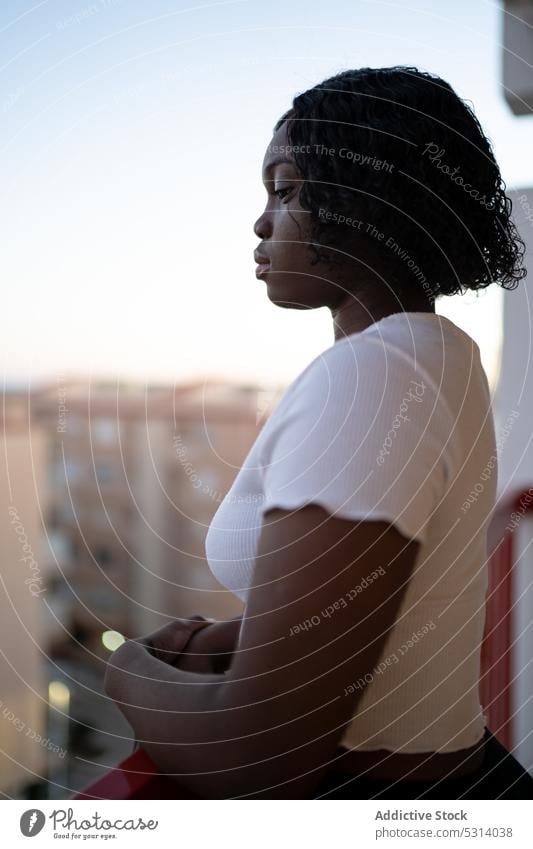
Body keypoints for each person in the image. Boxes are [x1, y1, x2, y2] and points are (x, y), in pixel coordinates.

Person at [105, 66, 533, 799]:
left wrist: (126, 668)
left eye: (287, 188)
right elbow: (394, 593)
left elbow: (261, 759)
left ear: (369, 201)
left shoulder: (368, 380)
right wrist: (231, 640)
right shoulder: (443, 352)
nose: (261, 221)